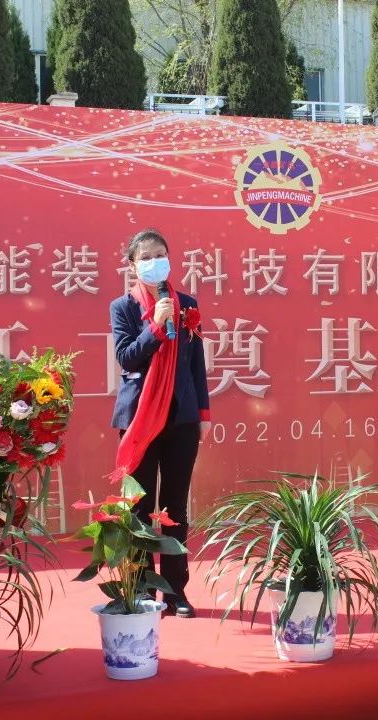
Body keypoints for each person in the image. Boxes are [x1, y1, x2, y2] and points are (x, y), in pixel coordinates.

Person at [109, 228, 210, 618]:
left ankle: (175, 591)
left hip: (181, 418)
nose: (155, 262)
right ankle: (140, 589)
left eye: (161, 254)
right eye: (146, 256)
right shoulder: (123, 307)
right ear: (132, 264)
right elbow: (127, 357)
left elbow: (196, 364)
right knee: (138, 507)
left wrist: (203, 414)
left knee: (174, 508)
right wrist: (155, 325)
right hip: (139, 419)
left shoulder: (187, 304)